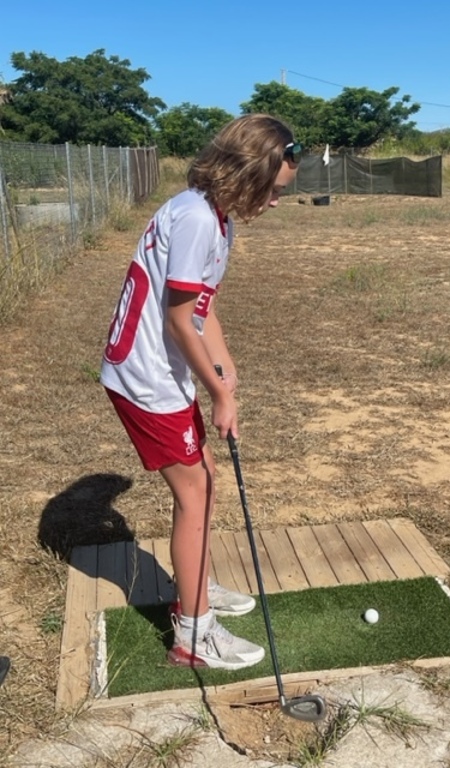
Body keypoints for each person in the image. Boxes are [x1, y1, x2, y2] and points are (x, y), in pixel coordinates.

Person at [100, 114, 301, 671]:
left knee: (205, 484)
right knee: (198, 495)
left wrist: (226, 368)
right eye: (276, 189)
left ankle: (197, 588)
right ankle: (193, 634)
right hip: (146, 378)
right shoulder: (196, 219)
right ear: (248, 174)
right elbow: (178, 320)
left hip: (165, 372)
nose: (279, 201)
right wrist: (218, 393)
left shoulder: (214, 216)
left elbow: (201, 311)